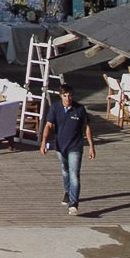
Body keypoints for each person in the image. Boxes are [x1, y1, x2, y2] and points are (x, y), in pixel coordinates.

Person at [39, 77, 96, 214]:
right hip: (60, 145)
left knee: (74, 174)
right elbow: (48, 125)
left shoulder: (80, 109)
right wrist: (43, 142)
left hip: (76, 146)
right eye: (65, 96)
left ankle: (73, 203)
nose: (68, 98)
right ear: (61, 96)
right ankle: (67, 191)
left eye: (70, 96)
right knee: (65, 171)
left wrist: (91, 147)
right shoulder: (55, 108)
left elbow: (87, 127)